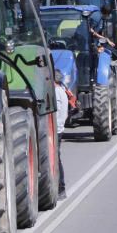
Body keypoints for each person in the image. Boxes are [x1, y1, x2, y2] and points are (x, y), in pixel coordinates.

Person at [54, 70, 68, 200]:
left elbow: (56, 113)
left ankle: (61, 188)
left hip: (56, 130)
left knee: (56, 159)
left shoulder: (57, 93)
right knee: (56, 158)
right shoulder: (62, 92)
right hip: (59, 129)